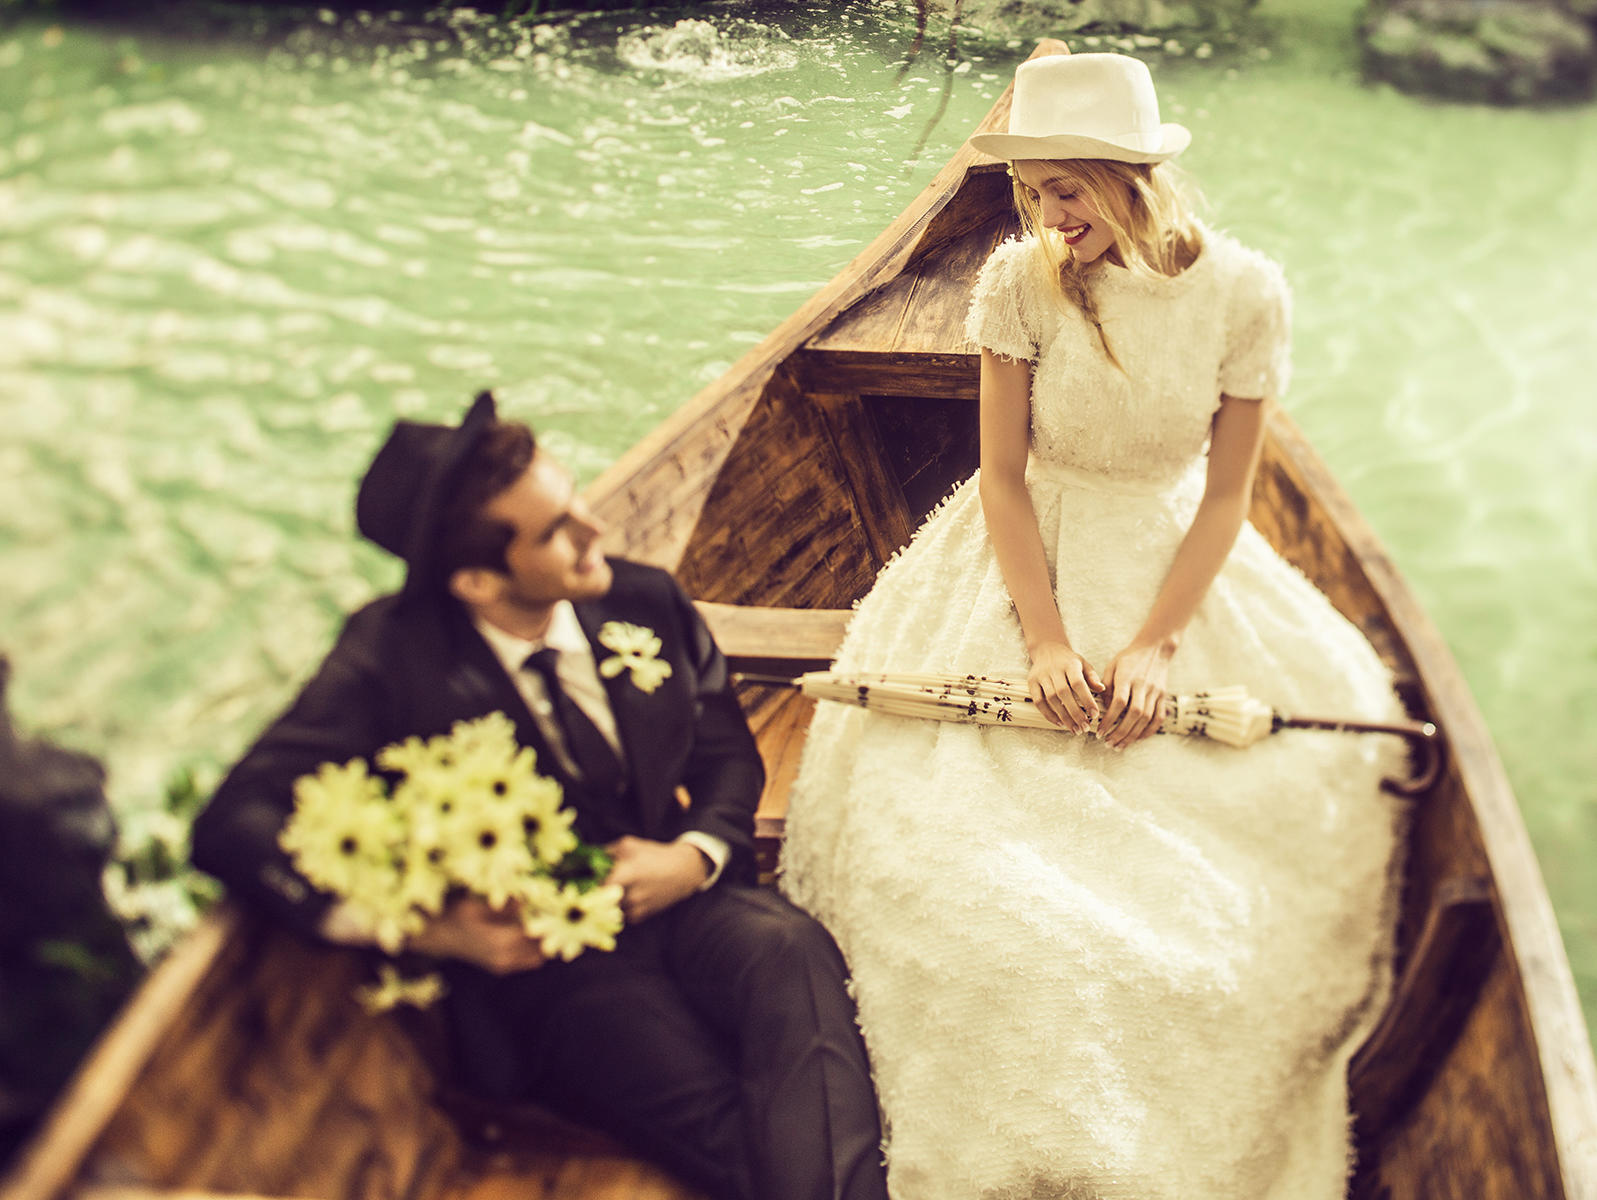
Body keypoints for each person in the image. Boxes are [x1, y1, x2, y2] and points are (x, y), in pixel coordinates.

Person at [779, 52, 1406, 1200]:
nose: (1045, 218)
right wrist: (1048, 641)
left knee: (1249, 849)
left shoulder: (1243, 293)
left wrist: (1156, 643)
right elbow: (1001, 477)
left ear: (1131, 177)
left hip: (1176, 560)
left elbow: (1226, 496)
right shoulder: (1017, 285)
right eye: (1031, 193)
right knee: (949, 860)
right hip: (1025, 556)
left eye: (1066, 190)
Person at [190, 392, 889, 1200]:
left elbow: (726, 755)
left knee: (789, 951)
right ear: (477, 580)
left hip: (683, 896)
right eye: (557, 529)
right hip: (554, 971)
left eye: (574, 499)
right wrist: (432, 931)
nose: (594, 530)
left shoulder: (643, 600)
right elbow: (231, 824)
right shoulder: (386, 658)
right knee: (725, 1114)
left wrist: (692, 857)